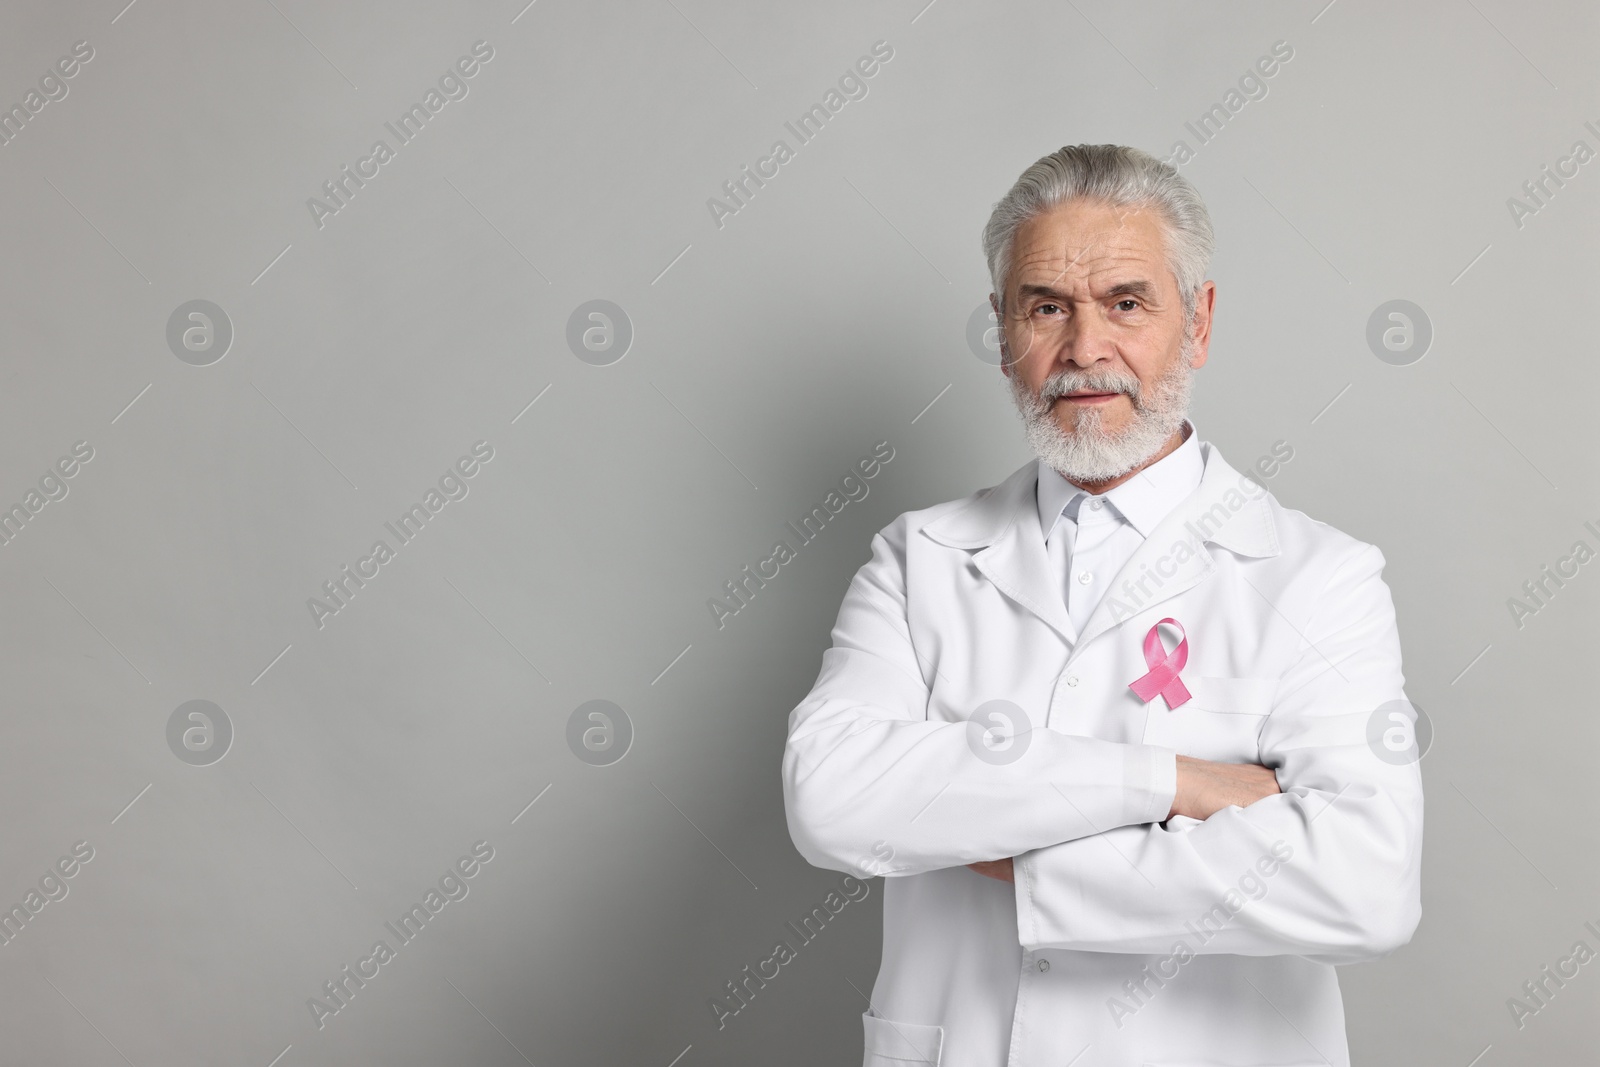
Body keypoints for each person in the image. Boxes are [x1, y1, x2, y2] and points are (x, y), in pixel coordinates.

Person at [781, 144, 1424, 1067]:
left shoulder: (1318, 577)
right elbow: (833, 798)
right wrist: (1178, 783)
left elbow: (1365, 883)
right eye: (1047, 307)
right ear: (1004, 332)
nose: (1086, 350)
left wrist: (1011, 841)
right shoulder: (920, 559)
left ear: (1197, 324)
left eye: (1126, 303)